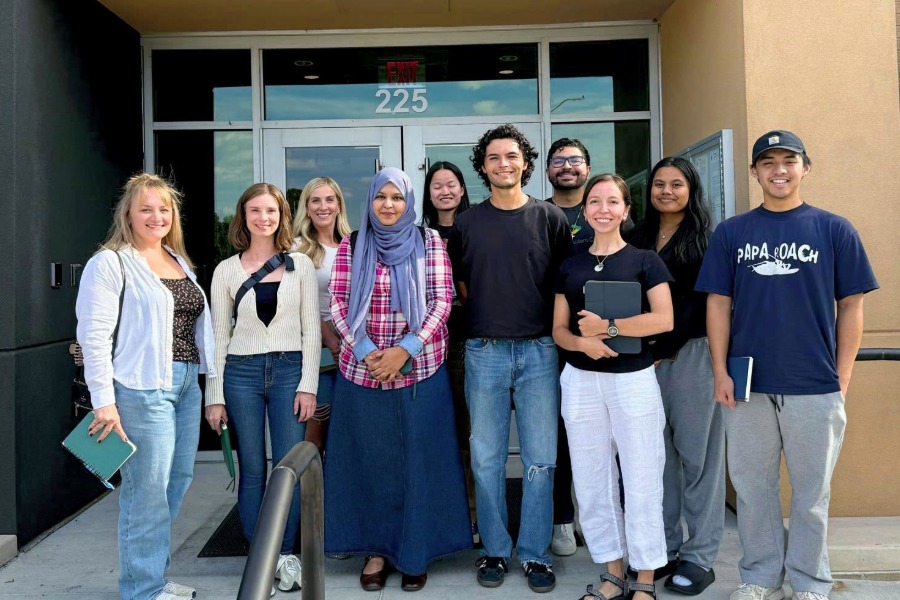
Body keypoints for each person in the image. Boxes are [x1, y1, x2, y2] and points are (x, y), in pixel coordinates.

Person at [695, 131, 878, 600]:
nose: (779, 170)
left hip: (814, 383)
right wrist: (720, 371)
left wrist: (843, 375)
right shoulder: (732, 232)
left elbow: (851, 305)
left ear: (805, 167)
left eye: (789, 160)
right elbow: (718, 304)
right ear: (754, 172)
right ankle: (759, 577)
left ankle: (809, 581)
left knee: (812, 493)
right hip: (748, 385)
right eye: (768, 162)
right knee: (753, 490)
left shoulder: (834, 229)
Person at [324, 167, 471, 593]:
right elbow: (337, 302)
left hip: (420, 370)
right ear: (370, 201)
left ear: (409, 203)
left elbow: (442, 300)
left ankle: (414, 552)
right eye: (380, 197)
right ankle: (375, 551)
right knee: (372, 464)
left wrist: (405, 349)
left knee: (419, 462)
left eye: (397, 197)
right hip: (363, 371)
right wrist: (368, 352)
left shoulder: (429, 242)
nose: (388, 205)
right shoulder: (353, 244)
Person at [76, 173, 216, 600]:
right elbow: (94, 336)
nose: (157, 216)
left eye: (164, 209)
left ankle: (152, 575)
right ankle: (143, 588)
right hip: (141, 388)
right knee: (147, 490)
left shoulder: (176, 259)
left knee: (177, 479)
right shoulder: (111, 262)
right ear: (128, 214)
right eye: (146, 209)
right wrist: (104, 402)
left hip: (187, 383)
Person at [448, 124, 573, 593]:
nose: (504, 164)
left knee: (541, 458)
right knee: (486, 458)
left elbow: (564, 285)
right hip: (485, 352)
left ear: (525, 162)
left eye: (512, 156)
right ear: (483, 167)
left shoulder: (549, 218)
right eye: (494, 157)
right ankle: (495, 550)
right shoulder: (467, 224)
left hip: (541, 350)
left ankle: (536, 553)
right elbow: (462, 286)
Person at [553, 173, 674, 600]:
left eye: (612, 202)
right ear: (584, 210)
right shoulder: (570, 264)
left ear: (625, 210)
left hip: (633, 381)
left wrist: (608, 327)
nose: (603, 209)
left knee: (642, 476)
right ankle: (612, 573)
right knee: (591, 480)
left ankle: (645, 578)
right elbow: (559, 331)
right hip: (581, 382)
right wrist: (583, 343)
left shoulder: (645, 260)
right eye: (595, 202)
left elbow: (663, 319)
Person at [206, 183, 321, 596]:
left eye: (271, 210)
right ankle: (261, 560)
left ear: (281, 216)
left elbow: (311, 331)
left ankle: (284, 554)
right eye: (255, 210)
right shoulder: (225, 270)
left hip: (290, 370)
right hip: (241, 373)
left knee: (287, 469)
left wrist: (308, 385)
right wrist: (214, 396)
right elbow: (218, 336)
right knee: (252, 467)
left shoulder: (300, 265)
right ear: (243, 216)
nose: (263, 218)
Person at [626, 156, 723, 595]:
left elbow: (702, 304)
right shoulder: (637, 237)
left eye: (676, 184)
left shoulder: (707, 240)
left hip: (692, 355)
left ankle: (700, 555)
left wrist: (661, 348)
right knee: (656, 459)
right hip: (643, 361)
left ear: (692, 189)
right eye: (659, 183)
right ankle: (662, 547)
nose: (666, 191)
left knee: (698, 459)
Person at [421, 161, 478, 533]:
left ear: (462, 188)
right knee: (433, 431)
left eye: (451, 184)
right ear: (428, 194)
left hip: (466, 339)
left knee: (466, 430)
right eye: (437, 185)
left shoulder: (477, 228)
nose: (445, 191)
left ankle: (470, 514)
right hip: (425, 343)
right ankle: (437, 512)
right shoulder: (417, 236)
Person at [544, 137, 592, 558]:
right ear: (547, 170)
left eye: (575, 160)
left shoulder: (605, 210)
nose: (567, 166)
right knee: (558, 431)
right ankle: (561, 517)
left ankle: (592, 517)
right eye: (559, 160)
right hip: (551, 338)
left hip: (604, 338)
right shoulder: (537, 213)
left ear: (587, 168)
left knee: (598, 432)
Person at [292, 176, 352, 454]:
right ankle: (311, 484)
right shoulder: (296, 249)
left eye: (329, 199)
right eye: (315, 200)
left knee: (347, 435)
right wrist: (328, 337)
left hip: (353, 349)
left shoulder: (354, 245)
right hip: (319, 353)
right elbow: (297, 302)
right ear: (306, 207)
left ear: (339, 205)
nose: (323, 206)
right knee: (315, 436)